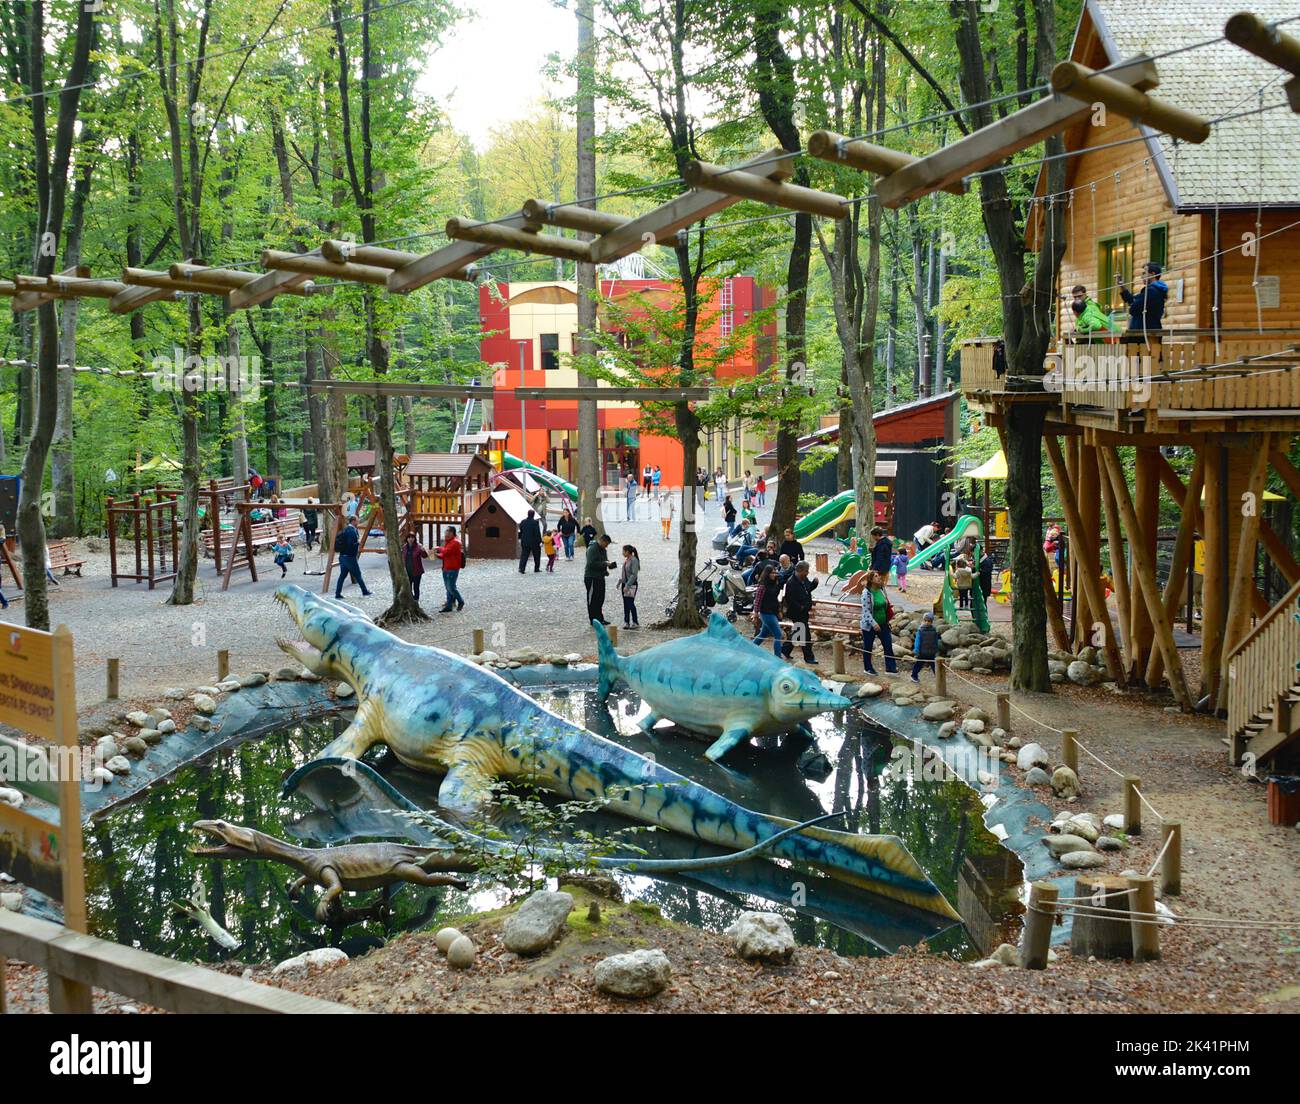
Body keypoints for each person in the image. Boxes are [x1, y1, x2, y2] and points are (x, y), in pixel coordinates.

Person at [859, 571, 897, 675]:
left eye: (878, 575)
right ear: (871, 580)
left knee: (888, 644)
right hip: (869, 625)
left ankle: (890, 667)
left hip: (883, 623)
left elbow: (885, 604)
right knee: (868, 646)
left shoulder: (881, 590)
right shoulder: (866, 593)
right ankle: (868, 668)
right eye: (876, 576)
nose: (879, 577)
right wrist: (874, 623)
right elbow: (866, 611)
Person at [781, 560, 817, 664]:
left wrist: (814, 584)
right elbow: (790, 599)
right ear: (800, 570)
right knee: (805, 635)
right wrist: (801, 607)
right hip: (797, 613)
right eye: (806, 571)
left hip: (804, 611)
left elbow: (808, 589)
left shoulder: (804, 579)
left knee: (798, 633)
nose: (807, 573)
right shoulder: (791, 582)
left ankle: (785, 650)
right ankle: (809, 657)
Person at [1120, 262, 1168, 332]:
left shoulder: (1152, 291)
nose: (1142, 277)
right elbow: (1132, 301)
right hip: (1147, 329)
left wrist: (1133, 306)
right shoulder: (1155, 290)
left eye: (1144, 273)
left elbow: (1133, 308)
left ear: (1152, 274)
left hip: (1144, 331)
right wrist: (1121, 286)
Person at [333, 517, 371, 599]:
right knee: (358, 574)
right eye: (357, 520)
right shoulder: (351, 531)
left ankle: (337, 593)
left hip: (342, 556)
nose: (358, 522)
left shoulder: (345, 529)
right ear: (353, 521)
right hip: (349, 557)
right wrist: (357, 543)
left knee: (342, 576)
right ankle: (364, 591)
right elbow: (351, 544)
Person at [750, 564, 783, 656]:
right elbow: (757, 600)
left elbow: (775, 598)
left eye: (775, 572)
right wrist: (755, 613)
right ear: (767, 574)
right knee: (778, 635)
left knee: (763, 634)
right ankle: (778, 656)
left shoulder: (775, 584)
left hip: (773, 611)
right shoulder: (762, 586)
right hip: (766, 613)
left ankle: (750, 648)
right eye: (772, 573)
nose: (774, 574)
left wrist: (778, 611)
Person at [585, 533, 616, 625]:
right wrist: (605, 564)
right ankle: (593, 619)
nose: (606, 546)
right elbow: (591, 563)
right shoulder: (592, 549)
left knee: (600, 599)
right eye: (606, 544)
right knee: (593, 599)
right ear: (602, 541)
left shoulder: (603, 550)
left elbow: (603, 561)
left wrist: (607, 567)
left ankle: (599, 618)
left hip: (600, 577)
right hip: (591, 577)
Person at [434, 526, 465, 612]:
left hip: (452, 568)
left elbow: (446, 551)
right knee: (448, 587)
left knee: (451, 587)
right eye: (446, 531)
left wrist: (438, 548)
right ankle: (449, 605)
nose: (446, 533)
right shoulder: (448, 542)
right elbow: (445, 555)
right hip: (446, 567)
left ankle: (460, 601)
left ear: (452, 533)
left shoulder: (455, 542)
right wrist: (437, 556)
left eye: (447, 531)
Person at [911, 612, 940, 683]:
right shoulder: (920, 630)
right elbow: (917, 640)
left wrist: (936, 648)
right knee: (918, 665)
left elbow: (935, 640)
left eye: (929, 621)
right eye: (925, 621)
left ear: (932, 622)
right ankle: (914, 676)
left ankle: (938, 678)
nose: (927, 622)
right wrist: (916, 649)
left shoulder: (934, 630)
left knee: (934, 666)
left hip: (931, 652)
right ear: (923, 621)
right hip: (922, 652)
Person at [402, 531, 428, 603]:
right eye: (409, 537)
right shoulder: (404, 547)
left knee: (416, 587)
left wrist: (423, 550)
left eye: (412, 537)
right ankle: (410, 600)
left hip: (417, 571)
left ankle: (416, 600)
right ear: (407, 539)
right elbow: (402, 557)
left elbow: (425, 556)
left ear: (414, 539)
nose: (411, 539)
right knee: (408, 587)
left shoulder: (418, 547)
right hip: (407, 571)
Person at [618, 544, 640, 628]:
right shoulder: (627, 560)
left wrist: (627, 585)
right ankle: (626, 621)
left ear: (627, 552)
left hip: (631, 585)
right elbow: (626, 573)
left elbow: (634, 574)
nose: (622, 553)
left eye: (623, 551)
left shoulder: (634, 560)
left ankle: (635, 621)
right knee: (625, 604)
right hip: (625, 584)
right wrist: (621, 581)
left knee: (630, 603)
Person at [518, 509, 543, 574]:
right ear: (533, 515)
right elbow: (537, 533)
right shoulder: (535, 523)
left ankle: (521, 568)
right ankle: (536, 568)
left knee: (524, 555)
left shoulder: (523, 522)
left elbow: (521, 530)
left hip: (525, 541)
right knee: (536, 555)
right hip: (534, 542)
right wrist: (540, 541)